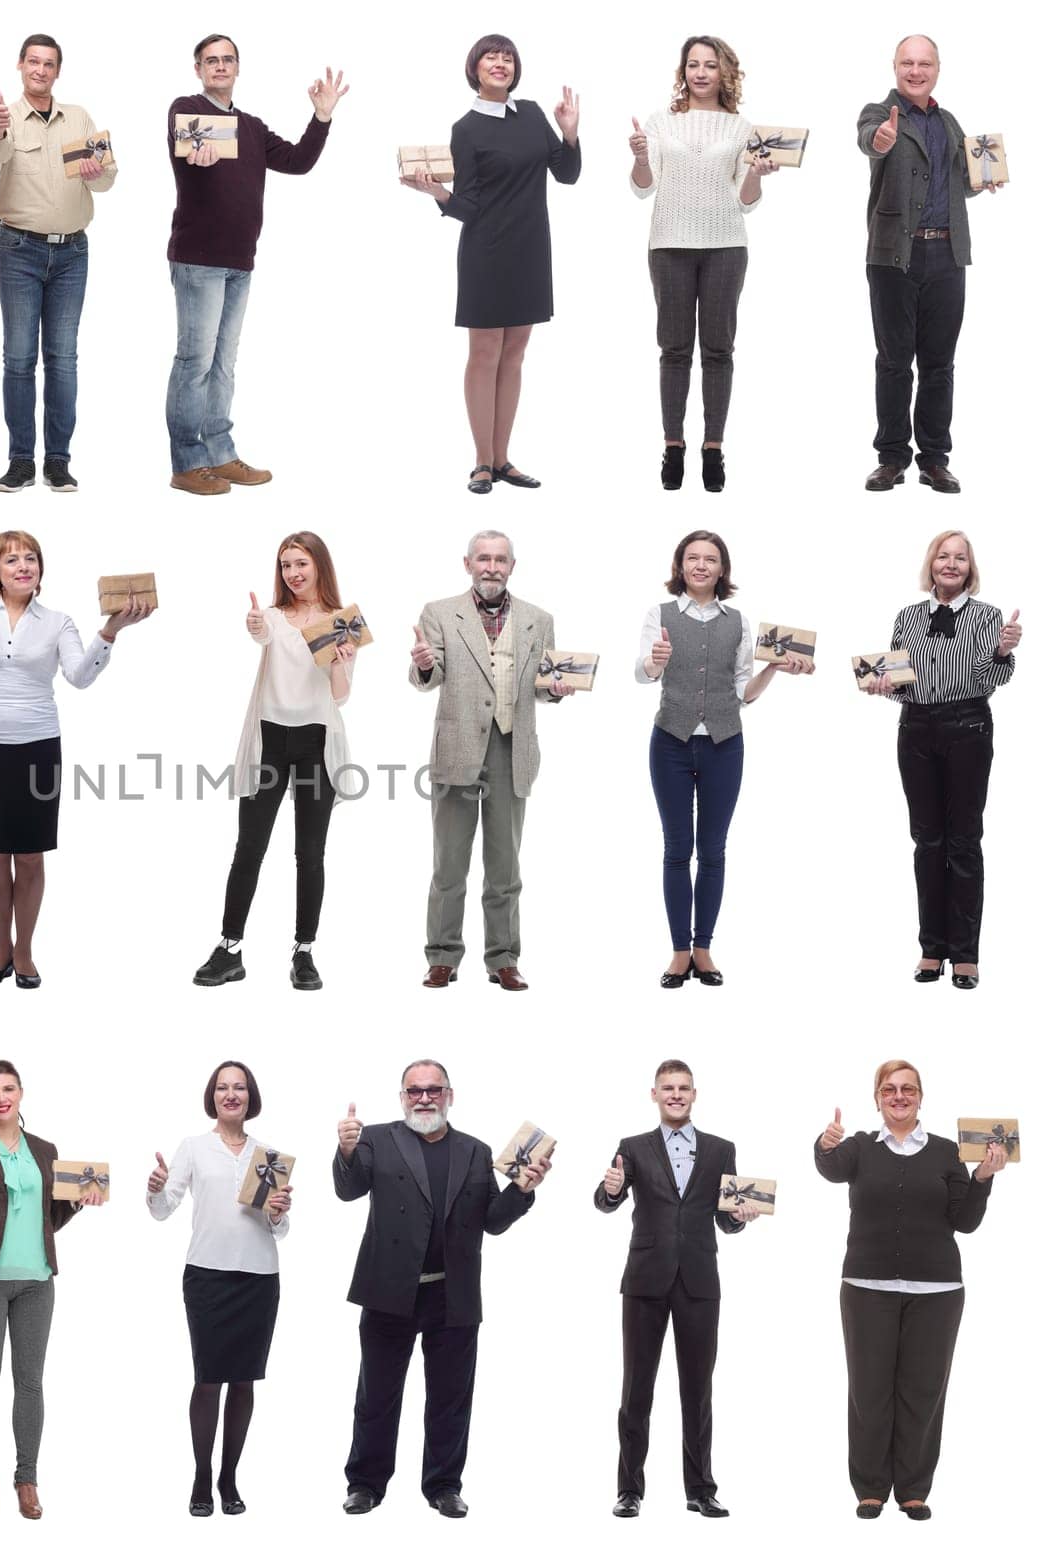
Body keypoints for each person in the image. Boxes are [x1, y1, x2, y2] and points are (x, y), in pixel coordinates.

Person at [0, 531, 151, 987]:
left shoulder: (58, 622)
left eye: (31, 559)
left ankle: (25, 951)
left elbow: (78, 677)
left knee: (30, 855)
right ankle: (0, 949)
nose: (23, 566)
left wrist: (109, 632)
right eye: (12, 560)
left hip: (37, 745)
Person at [334, 1059, 547, 1518]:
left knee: (451, 1399)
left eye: (434, 1090)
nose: (424, 1098)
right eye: (415, 1091)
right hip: (389, 1291)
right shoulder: (375, 1138)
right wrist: (347, 1151)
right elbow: (349, 1191)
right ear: (402, 1098)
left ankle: (445, 1486)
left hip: (453, 1295)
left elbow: (492, 1221)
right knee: (377, 1396)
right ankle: (365, 1484)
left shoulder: (475, 1151)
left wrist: (522, 1190)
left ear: (450, 1095)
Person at [815, 1060, 1005, 1520]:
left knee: (923, 1391)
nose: (899, 1096)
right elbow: (830, 1169)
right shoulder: (859, 1147)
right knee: (869, 1390)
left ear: (921, 1096)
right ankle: (871, 1488)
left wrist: (983, 1178)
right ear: (877, 1098)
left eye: (908, 1089)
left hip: (937, 1290)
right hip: (866, 1287)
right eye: (888, 1089)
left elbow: (965, 1222)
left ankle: (914, 1489)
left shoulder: (947, 1153)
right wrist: (824, 1145)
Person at [165, 35, 348, 494]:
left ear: (238, 68)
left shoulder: (250, 126)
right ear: (198, 69)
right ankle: (188, 464)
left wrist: (321, 117)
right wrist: (195, 153)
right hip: (198, 260)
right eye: (211, 61)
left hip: (239, 261)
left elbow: (297, 161)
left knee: (224, 363)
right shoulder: (185, 109)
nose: (220, 67)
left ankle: (221, 455)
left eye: (227, 60)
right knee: (195, 361)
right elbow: (186, 146)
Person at [400, 34, 579, 493]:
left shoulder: (535, 114)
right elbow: (469, 206)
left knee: (515, 355)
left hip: (531, 249)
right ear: (474, 69)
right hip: (486, 251)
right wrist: (438, 193)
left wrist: (570, 132)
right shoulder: (466, 129)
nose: (500, 63)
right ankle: (482, 461)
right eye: (490, 57)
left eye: (507, 57)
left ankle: (504, 459)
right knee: (484, 355)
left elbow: (567, 173)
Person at [637, 529, 812, 987]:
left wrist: (772, 668)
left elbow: (743, 693)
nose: (700, 565)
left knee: (712, 851)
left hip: (724, 744)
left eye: (709, 559)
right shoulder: (660, 614)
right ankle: (679, 953)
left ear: (722, 568)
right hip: (670, 742)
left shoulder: (738, 621)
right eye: (692, 558)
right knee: (677, 850)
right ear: (680, 566)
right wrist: (656, 661)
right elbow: (642, 673)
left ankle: (703, 949)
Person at [193, 531, 359, 992]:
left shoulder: (340, 622)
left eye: (301, 563)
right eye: (286, 564)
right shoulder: (271, 617)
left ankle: (304, 952)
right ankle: (229, 948)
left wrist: (342, 661)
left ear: (319, 566)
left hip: (316, 744)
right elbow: (261, 633)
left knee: (310, 853)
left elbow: (340, 697)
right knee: (249, 848)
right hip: (269, 740)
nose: (293, 572)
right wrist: (254, 624)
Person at [594, 1059, 757, 1520]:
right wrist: (609, 1189)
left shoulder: (721, 1149)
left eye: (683, 1088)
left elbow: (727, 1218)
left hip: (700, 1280)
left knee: (698, 1390)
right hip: (645, 1279)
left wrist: (739, 1218)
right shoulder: (633, 1147)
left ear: (694, 1094)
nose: (676, 1094)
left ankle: (701, 1489)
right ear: (654, 1095)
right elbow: (605, 1201)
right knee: (636, 1390)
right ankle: (629, 1489)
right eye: (668, 1088)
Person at [858, 530, 1020, 988]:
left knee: (964, 840)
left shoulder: (989, 616)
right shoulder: (908, 616)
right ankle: (932, 948)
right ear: (931, 564)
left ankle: (965, 954)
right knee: (926, 841)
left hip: (968, 726)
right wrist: (883, 686)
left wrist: (1003, 651)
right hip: (916, 729)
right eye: (943, 557)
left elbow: (988, 679)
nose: (951, 565)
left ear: (971, 568)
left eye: (960, 559)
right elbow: (901, 681)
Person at [411, 529, 572, 991]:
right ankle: (442, 956)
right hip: (457, 750)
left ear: (512, 567)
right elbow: (428, 674)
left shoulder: (538, 620)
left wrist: (556, 689)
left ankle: (503, 958)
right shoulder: (439, 613)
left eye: (501, 560)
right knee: (449, 865)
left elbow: (545, 682)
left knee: (505, 867)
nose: (492, 567)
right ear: (467, 564)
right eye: (483, 558)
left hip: (511, 750)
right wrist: (424, 661)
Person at [0, 1060, 103, 1520]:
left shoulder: (45, 1149)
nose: (0, 1096)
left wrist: (74, 1202)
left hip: (36, 1281)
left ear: (20, 1092)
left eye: (7, 1087)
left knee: (30, 1383)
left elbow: (49, 1219)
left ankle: (27, 1480)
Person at [147, 1061, 293, 1517]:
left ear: (251, 1096)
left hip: (258, 1277)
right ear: (212, 1095)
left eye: (240, 1088)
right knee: (208, 1379)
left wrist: (279, 1208)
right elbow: (163, 1209)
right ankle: (201, 1475)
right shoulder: (193, 1148)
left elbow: (280, 1228)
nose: (232, 1094)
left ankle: (230, 1477)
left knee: (245, 1380)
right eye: (223, 1087)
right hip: (207, 1276)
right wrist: (154, 1188)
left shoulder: (268, 1155)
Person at [629, 36, 775, 492]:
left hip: (725, 246)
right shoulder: (659, 122)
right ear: (683, 71)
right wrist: (638, 157)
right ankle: (674, 446)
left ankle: (713, 448)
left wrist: (755, 172)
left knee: (718, 350)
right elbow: (642, 187)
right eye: (692, 64)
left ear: (724, 72)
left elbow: (746, 201)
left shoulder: (741, 127)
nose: (700, 73)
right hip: (669, 245)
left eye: (710, 65)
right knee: (674, 349)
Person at [859, 35, 998, 495]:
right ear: (894, 67)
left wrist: (984, 180)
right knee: (894, 363)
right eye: (907, 63)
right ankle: (892, 458)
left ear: (937, 69)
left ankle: (934, 460)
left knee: (940, 365)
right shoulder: (878, 115)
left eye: (924, 64)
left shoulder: (950, 122)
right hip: (893, 256)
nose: (915, 71)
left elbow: (960, 183)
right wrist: (882, 139)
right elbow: (870, 143)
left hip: (948, 255)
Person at [0, 34, 116, 493]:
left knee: (63, 359)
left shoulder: (78, 118)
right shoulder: (7, 117)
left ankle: (58, 461)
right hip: (19, 250)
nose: (40, 70)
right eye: (33, 62)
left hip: (72, 253)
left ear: (58, 71)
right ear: (20, 65)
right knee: (18, 358)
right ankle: (21, 461)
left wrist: (99, 173)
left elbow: (106, 180)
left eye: (49, 64)